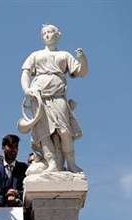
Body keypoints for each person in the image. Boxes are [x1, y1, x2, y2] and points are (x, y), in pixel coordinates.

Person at [20, 24, 87, 173]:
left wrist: (82, 59)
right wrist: (27, 89)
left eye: (50, 32)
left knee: (64, 131)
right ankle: (51, 163)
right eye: (44, 33)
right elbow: (25, 73)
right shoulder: (35, 55)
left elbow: (81, 72)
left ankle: (70, 163)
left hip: (58, 97)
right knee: (43, 133)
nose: (47, 35)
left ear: (57, 35)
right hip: (39, 98)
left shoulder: (64, 55)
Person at [0, 134, 27, 206]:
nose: (13, 150)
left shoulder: (25, 168)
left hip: (20, 213)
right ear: (3, 147)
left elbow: (29, 189)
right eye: (10, 146)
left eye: (16, 147)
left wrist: (16, 193)